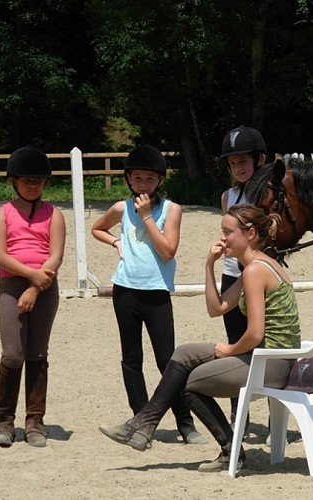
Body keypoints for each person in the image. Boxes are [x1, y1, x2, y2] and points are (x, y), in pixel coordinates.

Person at [100, 204, 301, 473]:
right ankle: (144, 424)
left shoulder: (255, 271)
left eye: (228, 232)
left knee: (188, 383)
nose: (222, 238)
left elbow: (255, 333)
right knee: (183, 353)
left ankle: (230, 450)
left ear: (250, 233)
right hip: (273, 358)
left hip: (272, 363)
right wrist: (209, 266)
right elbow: (215, 308)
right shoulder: (256, 266)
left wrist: (229, 351)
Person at [91, 144, 204, 444]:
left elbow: (168, 251)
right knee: (131, 359)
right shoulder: (120, 208)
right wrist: (115, 242)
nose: (143, 184)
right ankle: (141, 422)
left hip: (156, 293)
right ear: (128, 179)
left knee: (168, 361)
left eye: (149, 179)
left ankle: (185, 423)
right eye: (137, 178)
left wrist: (147, 218)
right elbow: (97, 229)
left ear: (160, 181)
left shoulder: (172, 210)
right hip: (125, 290)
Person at [0, 146, 66, 448]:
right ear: (15, 181)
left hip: (45, 287)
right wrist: (28, 276)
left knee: (37, 354)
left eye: (37, 180)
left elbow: (56, 256)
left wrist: (36, 285)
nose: (32, 185)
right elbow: (0, 255)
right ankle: (4, 422)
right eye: (26, 180)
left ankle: (35, 421)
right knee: (12, 354)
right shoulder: (2, 214)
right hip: (11, 285)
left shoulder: (55, 214)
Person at [218, 125, 267, 426]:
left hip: (259, 275)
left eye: (243, 162)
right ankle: (240, 415)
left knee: (267, 344)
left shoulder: (266, 196)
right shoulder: (228, 196)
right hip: (231, 274)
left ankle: (278, 411)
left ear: (258, 161)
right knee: (236, 342)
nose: (238, 168)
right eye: (233, 163)